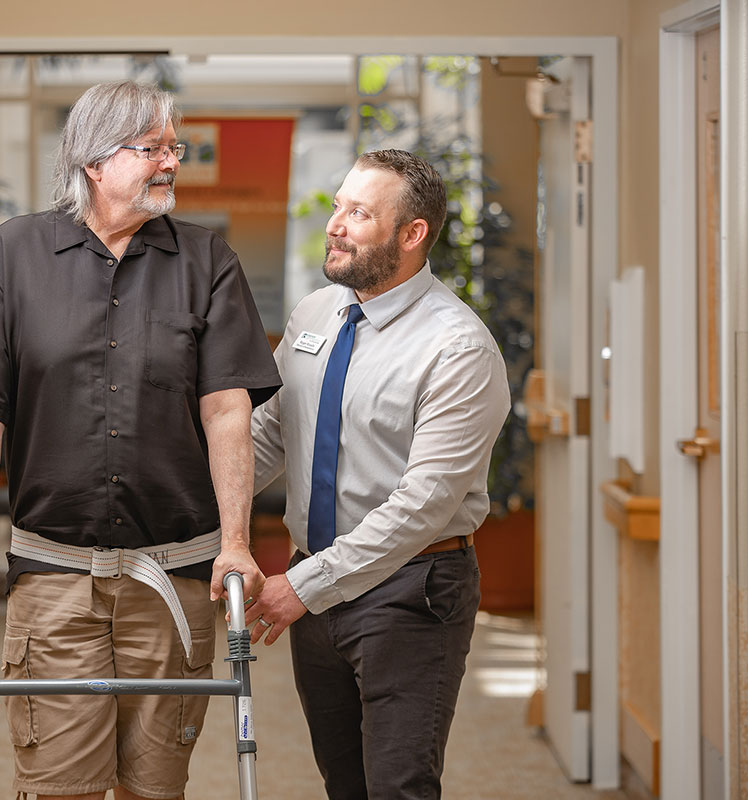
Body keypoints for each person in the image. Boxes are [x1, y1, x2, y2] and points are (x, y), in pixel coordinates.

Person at [0, 80, 280, 800]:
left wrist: (237, 540)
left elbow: (228, 414)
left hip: (172, 576)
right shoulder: (13, 256)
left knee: (155, 789)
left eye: (176, 147)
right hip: (53, 581)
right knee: (57, 787)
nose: (172, 162)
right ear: (93, 160)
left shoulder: (207, 264)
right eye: (154, 148)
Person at [246, 149, 510, 799]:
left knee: (397, 785)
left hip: (410, 588)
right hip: (319, 583)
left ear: (411, 234)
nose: (335, 223)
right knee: (345, 782)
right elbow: (271, 436)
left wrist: (302, 584)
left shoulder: (457, 347)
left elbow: (423, 504)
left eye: (359, 213)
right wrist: (189, 511)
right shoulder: (314, 316)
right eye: (338, 205)